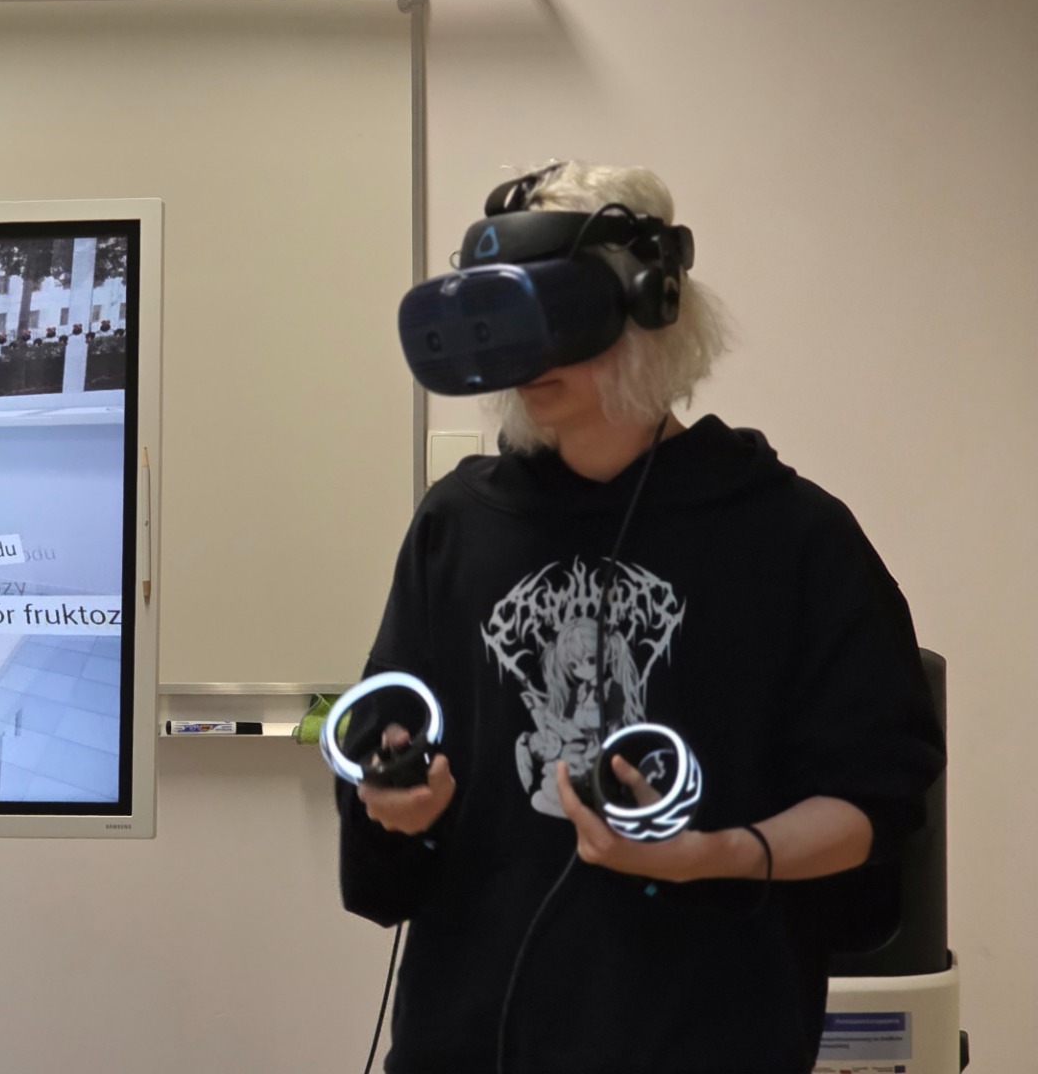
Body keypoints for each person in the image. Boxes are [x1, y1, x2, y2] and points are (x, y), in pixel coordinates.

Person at [336, 161, 945, 1074]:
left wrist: (712, 856)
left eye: (556, 317)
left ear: (653, 306)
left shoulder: (792, 537)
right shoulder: (457, 526)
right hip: (473, 1042)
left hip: (703, 1037)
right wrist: (394, 801)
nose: (528, 359)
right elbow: (384, 756)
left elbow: (874, 803)